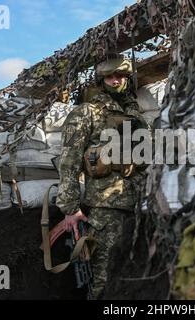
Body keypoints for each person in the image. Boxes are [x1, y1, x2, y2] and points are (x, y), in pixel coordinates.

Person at [55, 54, 148, 299]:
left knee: (135, 273)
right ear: (101, 80)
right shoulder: (87, 113)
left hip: (139, 203)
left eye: (120, 76)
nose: (116, 81)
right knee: (105, 279)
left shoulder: (136, 114)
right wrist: (70, 208)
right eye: (110, 76)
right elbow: (69, 161)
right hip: (106, 209)